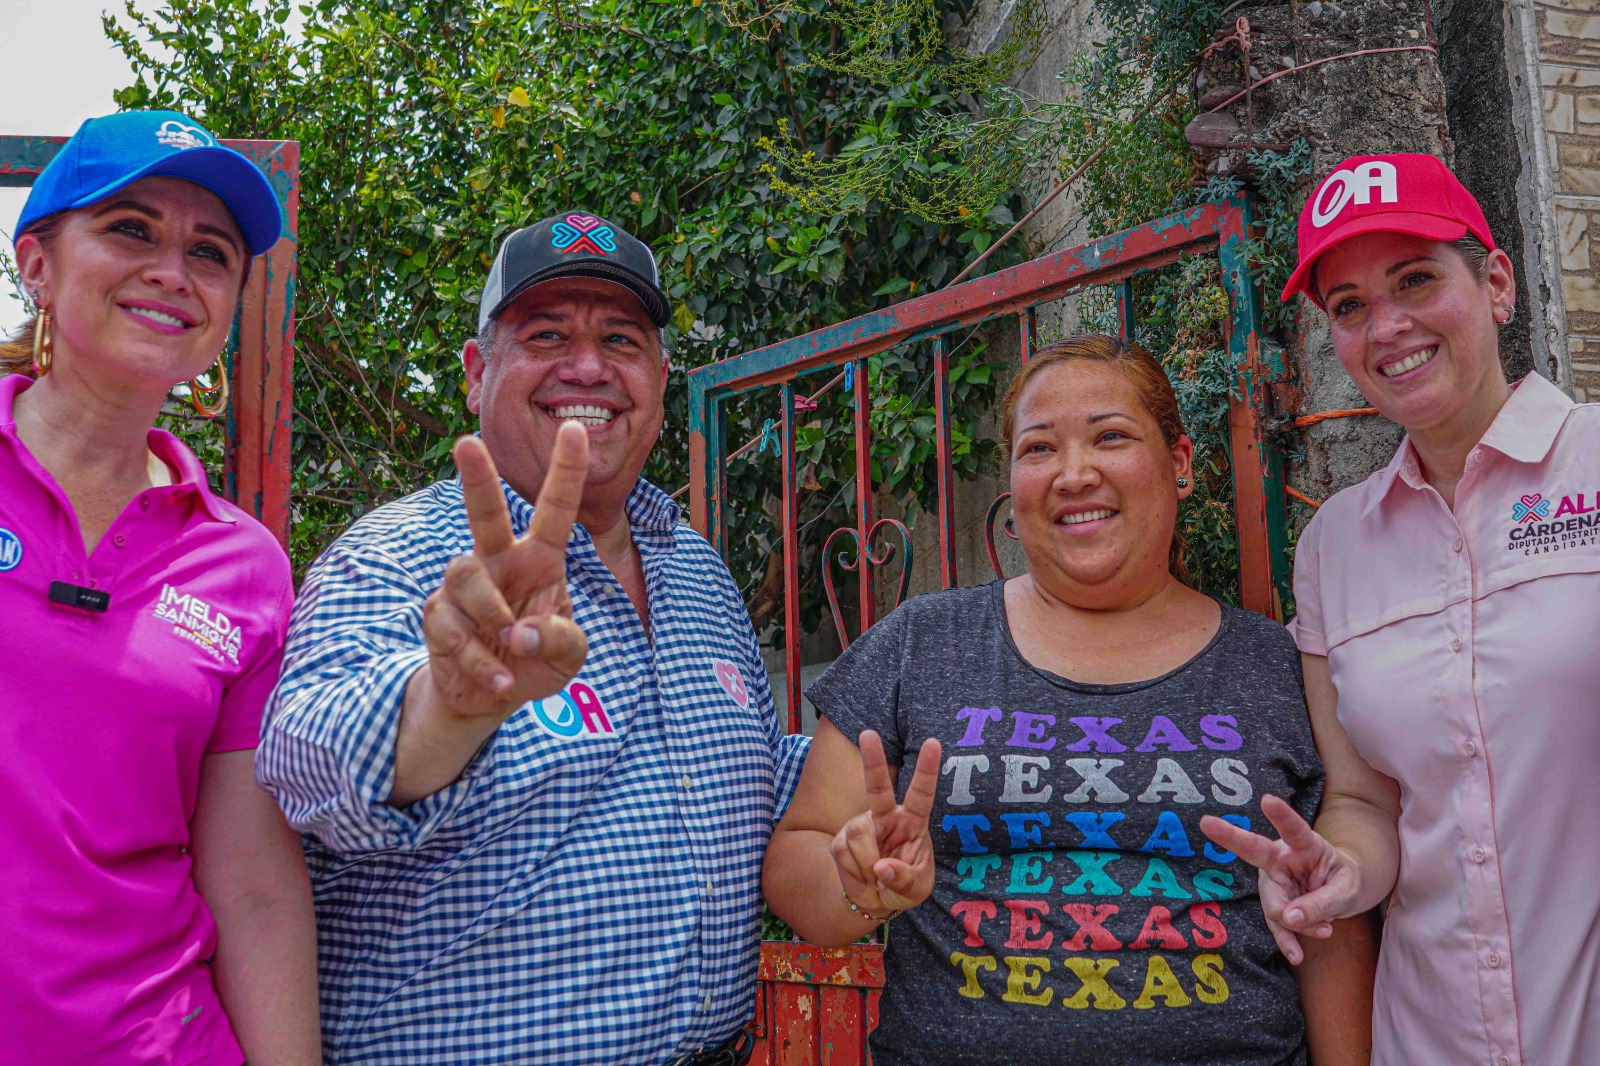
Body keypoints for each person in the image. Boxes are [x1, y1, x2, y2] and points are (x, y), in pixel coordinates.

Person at [256, 212, 810, 1065]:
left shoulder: (698, 570)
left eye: (621, 339)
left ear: (660, 378)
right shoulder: (396, 556)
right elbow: (309, 764)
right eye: (546, 334)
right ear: (478, 374)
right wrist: (450, 703)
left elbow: (744, 774)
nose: (587, 366)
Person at [763, 333, 1376, 1066]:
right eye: (1039, 449)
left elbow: (1325, 912)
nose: (1073, 473)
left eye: (1110, 437)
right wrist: (859, 887)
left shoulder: (1273, 663)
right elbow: (797, 864)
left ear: (1178, 464)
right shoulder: (918, 644)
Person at [1201, 153, 1600, 1065]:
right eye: (1348, 306)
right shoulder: (1333, 547)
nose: (1388, 327)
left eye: (1416, 278)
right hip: (1431, 1039)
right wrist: (1341, 871)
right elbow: (1363, 800)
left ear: (1496, 282)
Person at [0, 111, 320, 1064]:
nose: (172, 272)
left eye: (210, 252)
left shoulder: (244, 564)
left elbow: (252, 881)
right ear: (38, 264)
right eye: (131, 229)